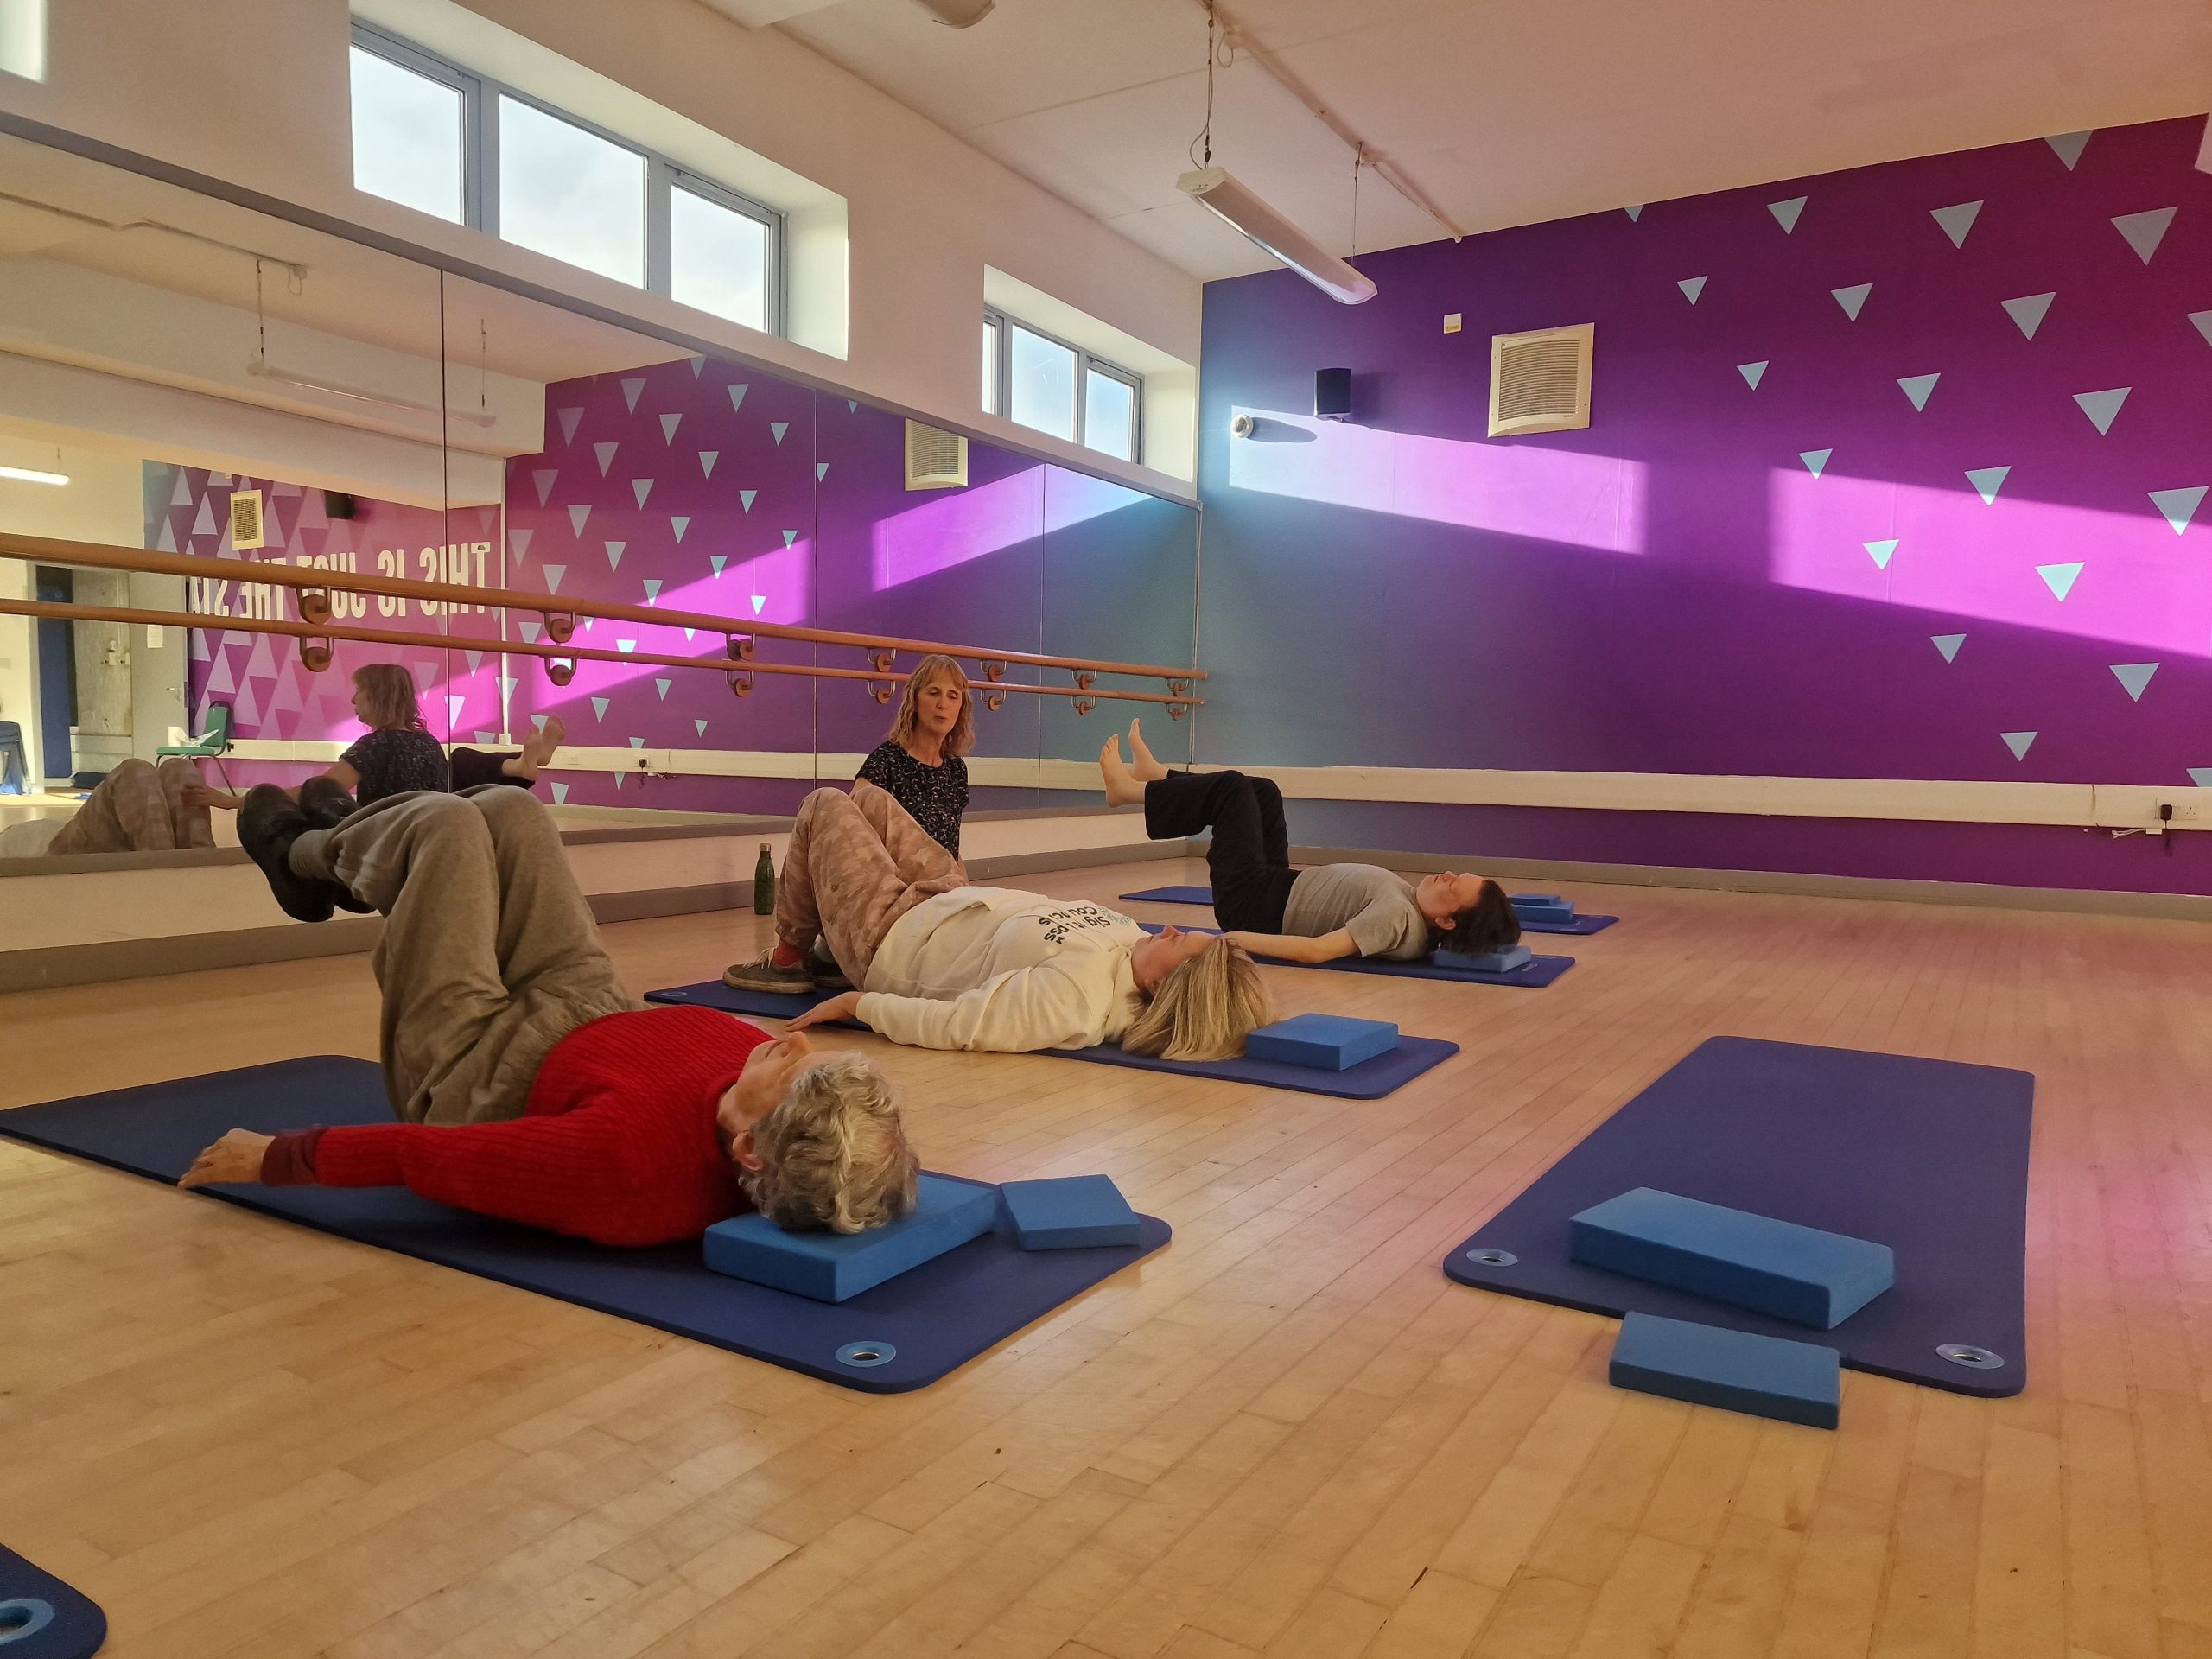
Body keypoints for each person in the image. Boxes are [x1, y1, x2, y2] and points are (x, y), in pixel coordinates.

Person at [200, 780, 918, 1244]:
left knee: (448, 826)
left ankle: (300, 857)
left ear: (750, 1151)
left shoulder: (630, 1169)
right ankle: (360, 848)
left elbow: (426, 1157)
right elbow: (867, 1163)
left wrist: (276, 1158)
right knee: (514, 810)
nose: (790, 1048)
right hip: (585, 1004)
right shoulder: (767, 1106)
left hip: (473, 1066)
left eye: (795, 1076)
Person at [724, 779, 1268, 1058]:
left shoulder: (1074, 1001)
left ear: (1162, 986)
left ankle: (793, 956)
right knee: (867, 797)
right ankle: (825, 952)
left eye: (1180, 943)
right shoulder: (1132, 943)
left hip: (891, 937)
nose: (1168, 929)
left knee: (825, 805)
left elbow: (960, 1025)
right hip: (947, 896)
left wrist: (859, 1004)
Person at [1098, 721, 1522, 964]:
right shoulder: (1411, 907)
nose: (1446, 876)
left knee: (1232, 789)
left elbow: (1317, 951)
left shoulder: (1397, 918)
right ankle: (1158, 779)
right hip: (1276, 883)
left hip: (1254, 905)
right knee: (1263, 790)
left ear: (1446, 921)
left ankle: (1129, 792)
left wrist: (1227, 940)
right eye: (1455, 876)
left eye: (1453, 888)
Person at [188, 664, 451, 816]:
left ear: (378, 697)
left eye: (360, 691)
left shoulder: (376, 746)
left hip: (386, 847)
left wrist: (233, 801)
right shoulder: (430, 743)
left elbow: (315, 791)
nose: (353, 699)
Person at [855, 654, 970, 862]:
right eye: (934, 693)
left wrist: (966, 889)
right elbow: (851, 823)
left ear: (961, 709)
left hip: (944, 885)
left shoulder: (956, 769)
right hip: (897, 885)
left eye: (953, 696)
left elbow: (952, 848)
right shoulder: (886, 760)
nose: (943, 704)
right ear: (915, 701)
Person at [0, 755, 213, 857]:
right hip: (62, 849)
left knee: (178, 767)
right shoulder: (14, 840)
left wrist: (231, 802)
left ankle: (177, 868)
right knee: (135, 772)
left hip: (74, 838)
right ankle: (171, 870)